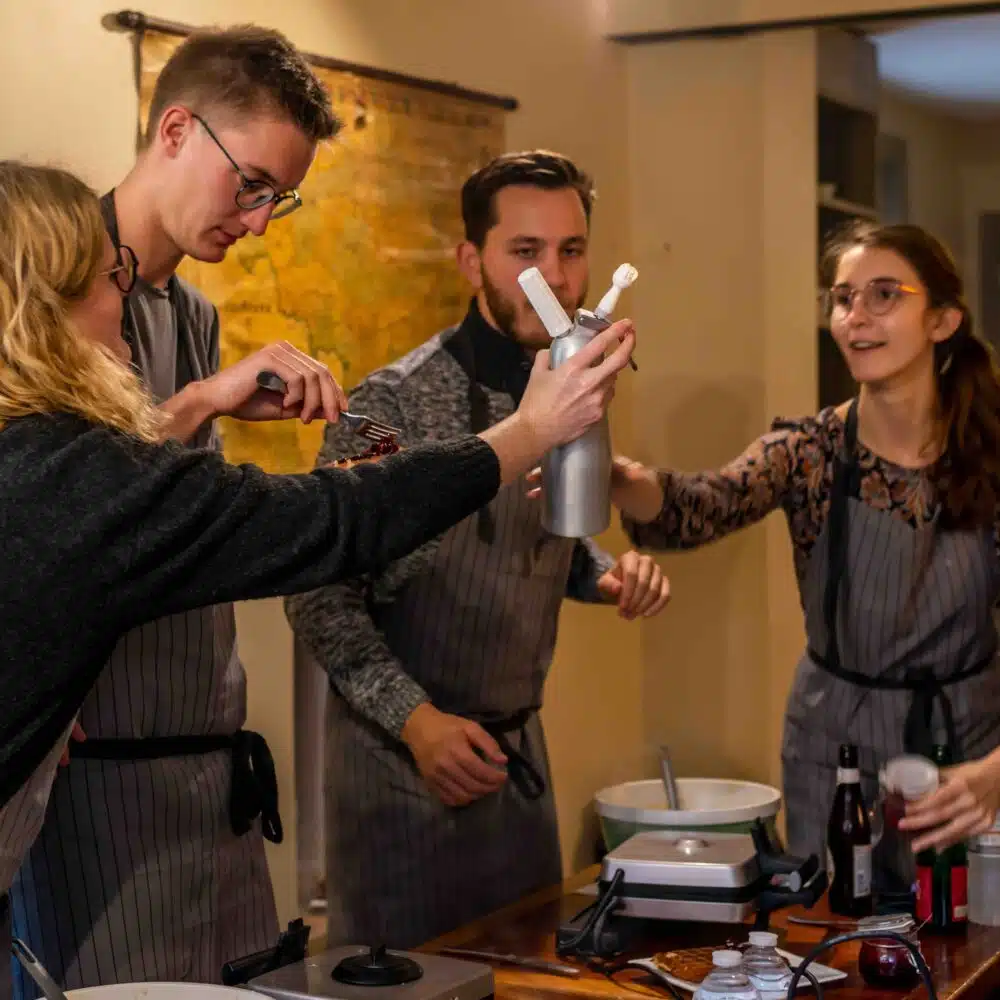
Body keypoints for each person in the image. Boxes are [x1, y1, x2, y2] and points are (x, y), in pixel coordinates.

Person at [0, 160, 633, 991]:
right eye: (109, 276)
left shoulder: (41, 464)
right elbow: (330, 528)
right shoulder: (68, 473)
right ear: (43, 304)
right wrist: (529, 433)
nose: (128, 299)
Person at [9, 24, 477, 994]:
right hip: (92, 793)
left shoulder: (195, 313)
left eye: (280, 198)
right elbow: (62, 511)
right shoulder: (42, 291)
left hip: (206, 767)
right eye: (251, 184)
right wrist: (199, 405)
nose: (260, 222)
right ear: (177, 131)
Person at [284, 150, 671, 948]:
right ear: (471, 261)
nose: (555, 277)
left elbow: (541, 539)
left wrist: (605, 576)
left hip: (515, 765)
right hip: (399, 771)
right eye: (526, 251)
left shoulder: (576, 386)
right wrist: (418, 722)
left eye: (571, 250)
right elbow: (316, 592)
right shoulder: (390, 405)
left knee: (529, 979)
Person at [603, 219, 1000, 893]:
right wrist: (617, 478)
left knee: (965, 933)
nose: (856, 317)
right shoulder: (809, 452)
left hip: (967, 754)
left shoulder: (989, 455)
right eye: (843, 298)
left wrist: (995, 774)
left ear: (942, 319)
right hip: (832, 750)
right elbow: (699, 506)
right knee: (833, 933)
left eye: (884, 295)